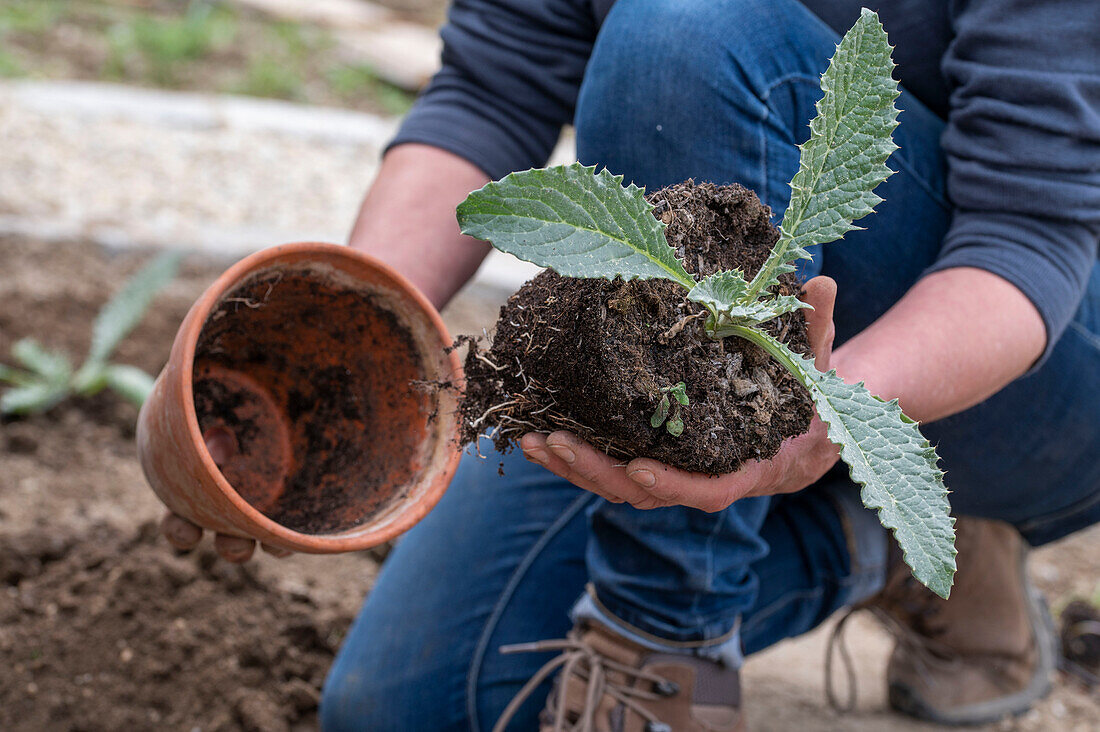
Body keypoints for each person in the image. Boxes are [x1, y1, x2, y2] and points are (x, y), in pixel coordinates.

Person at [160, 0, 1100, 728]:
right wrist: (334, 335)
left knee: (683, 36)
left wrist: (828, 416)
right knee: (405, 708)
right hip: (731, 377)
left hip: (1030, 372)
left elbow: (1032, 237)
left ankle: (663, 642)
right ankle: (876, 540)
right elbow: (493, 90)